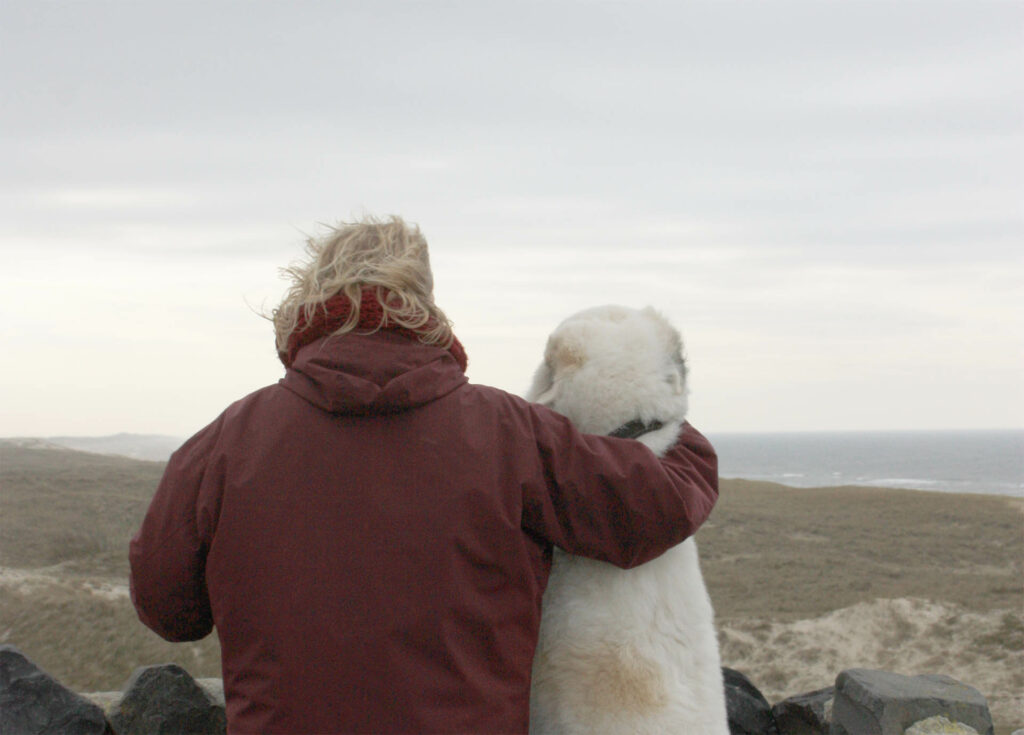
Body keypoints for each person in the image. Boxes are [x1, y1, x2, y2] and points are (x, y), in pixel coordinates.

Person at [129, 215, 719, 735]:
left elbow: (168, 610)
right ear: (424, 302)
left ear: (306, 297)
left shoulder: (224, 445)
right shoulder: (507, 433)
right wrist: (668, 425)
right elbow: (651, 510)